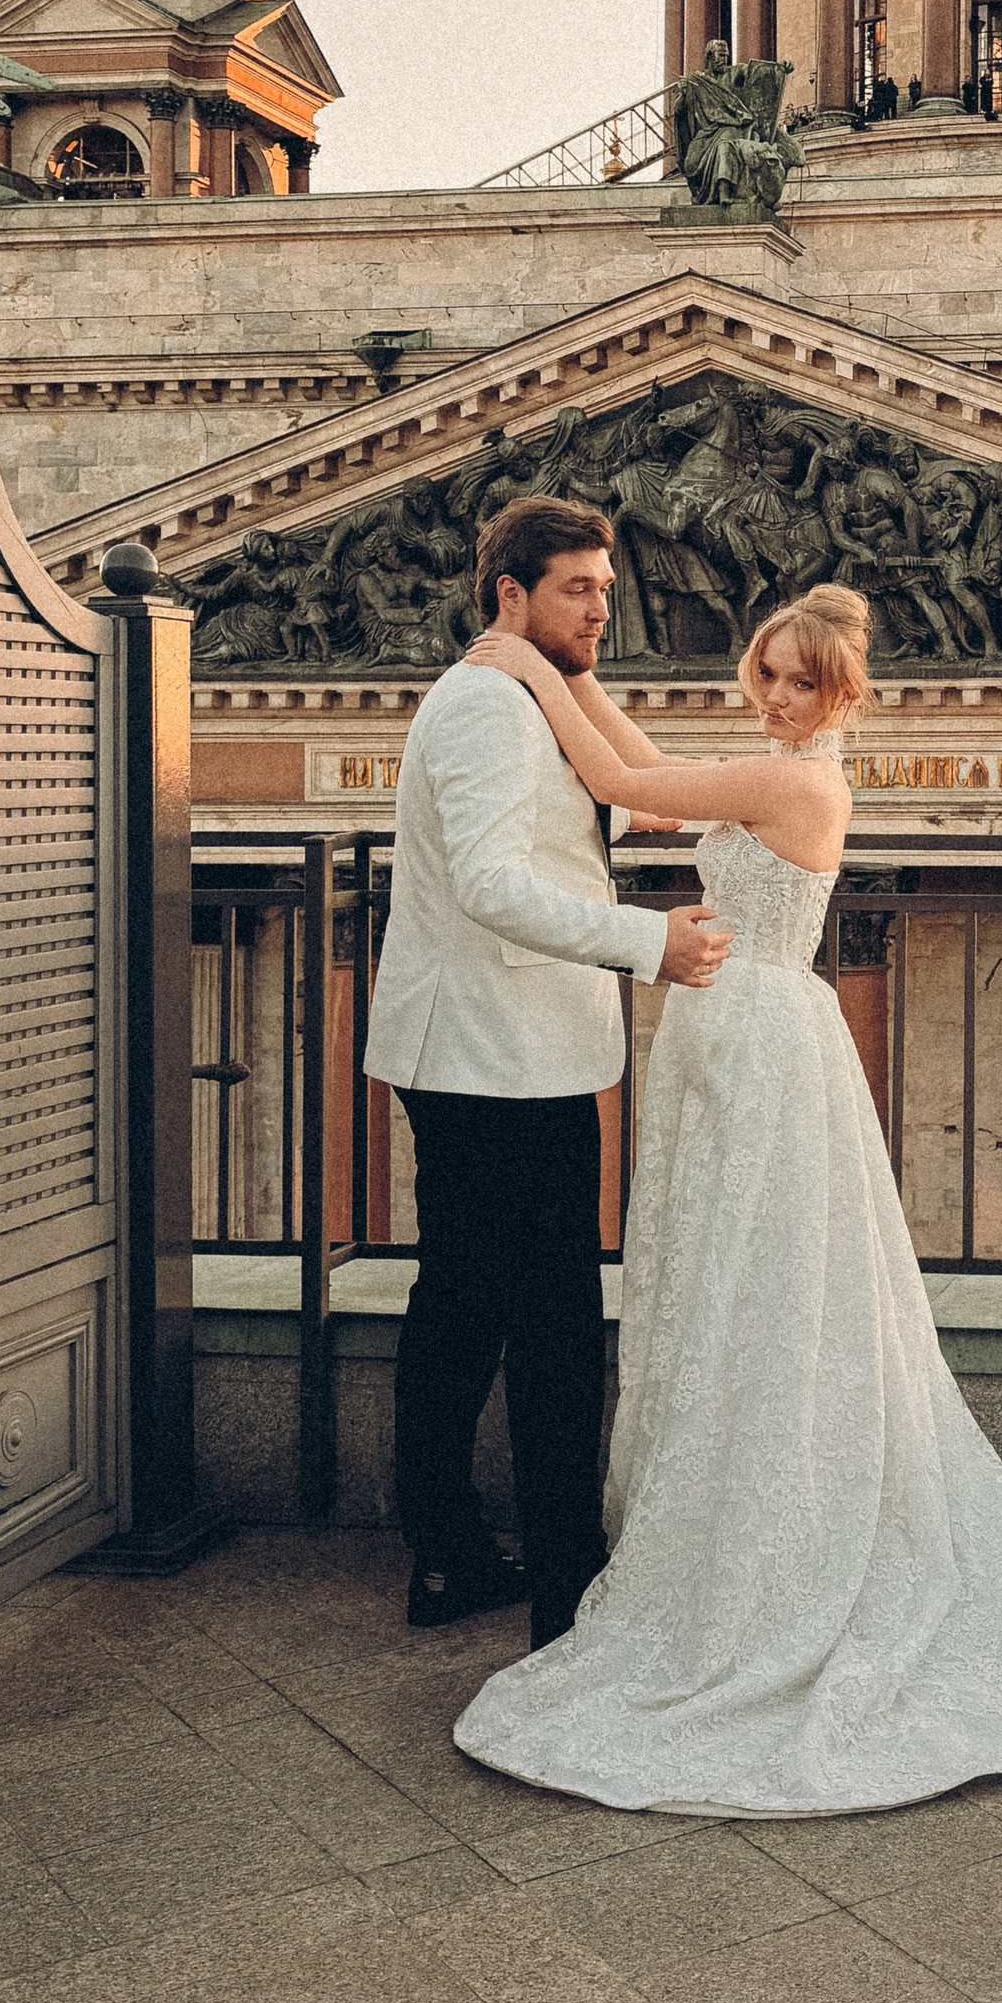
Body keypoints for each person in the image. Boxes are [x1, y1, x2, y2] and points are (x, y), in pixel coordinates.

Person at [447, 584, 1002, 1815]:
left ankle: (765, 1550)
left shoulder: (799, 783)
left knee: (762, 1274)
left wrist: (531, 668)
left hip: (758, 1040)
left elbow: (605, 775)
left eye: (803, 679)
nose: (780, 692)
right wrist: (570, 671)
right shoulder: (773, 766)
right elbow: (640, 781)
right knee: (715, 1273)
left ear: (841, 693)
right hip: (723, 1032)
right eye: (770, 670)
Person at [363, 497, 733, 1645]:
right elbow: (486, 881)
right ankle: (565, 1580)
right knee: (552, 1323)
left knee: (463, 1309)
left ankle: (448, 1554)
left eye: (607, 588)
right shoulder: (484, 707)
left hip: (493, 1049)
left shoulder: (521, 688)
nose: (602, 606)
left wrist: (552, 663)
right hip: (493, 1057)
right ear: (509, 592)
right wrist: (647, 941)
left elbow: (638, 782)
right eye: (577, 588)